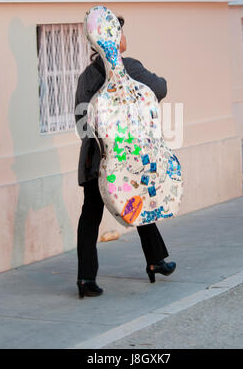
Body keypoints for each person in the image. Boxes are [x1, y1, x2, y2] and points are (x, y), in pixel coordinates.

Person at [74, 15, 176, 298]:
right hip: (128, 155)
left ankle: (86, 279)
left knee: (91, 217)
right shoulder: (129, 67)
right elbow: (160, 88)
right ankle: (156, 261)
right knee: (137, 198)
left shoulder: (86, 76)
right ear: (114, 37)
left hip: (95, 158)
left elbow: (81, 122)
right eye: (122, 33)